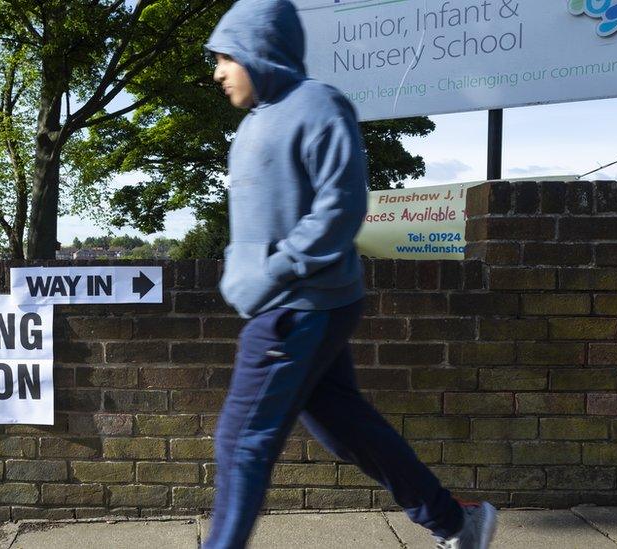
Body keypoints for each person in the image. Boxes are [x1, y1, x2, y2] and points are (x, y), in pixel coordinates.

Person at [202, 1, 497, 548]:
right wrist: (238, 269)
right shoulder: (250, 127)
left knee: (241, 443)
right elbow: (257, 220)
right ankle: (457, 521)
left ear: (257, 50)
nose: (217, 71)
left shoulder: (318, 104)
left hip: (298, 306)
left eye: (225, 57)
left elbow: (341, 207)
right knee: (347, 431)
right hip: (287, 302)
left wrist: (269, 273)